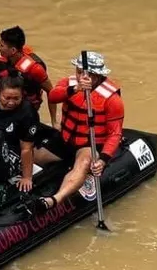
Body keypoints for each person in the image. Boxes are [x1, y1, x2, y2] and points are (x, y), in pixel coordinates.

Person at [35, 51, 124, 212]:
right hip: (66, 138)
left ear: (96, 75)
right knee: (35, 156)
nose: (81, 76)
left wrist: (103, 159)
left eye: (86, 74)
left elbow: (115, 133)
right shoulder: (69, 83)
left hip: (90, 143)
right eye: (78, 72)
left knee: (83, 164)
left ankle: (55, 200)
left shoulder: (112, 99)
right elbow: (53, 96)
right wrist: (75, 89)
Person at [0, 75, 41, 193]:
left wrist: (27, 177)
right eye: (7, 98)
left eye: (16, 98)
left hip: (11, 151)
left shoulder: (28, 113)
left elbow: (26, 149)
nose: (11, 102)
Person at [0, 26, 55, 123]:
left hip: (27, 106)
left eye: (2, 46)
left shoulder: (35, 68)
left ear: (13, 50)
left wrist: (54, 121)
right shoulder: (4, 56)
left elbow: (51, 92)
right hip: (7, 100)